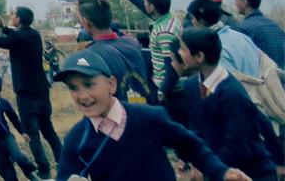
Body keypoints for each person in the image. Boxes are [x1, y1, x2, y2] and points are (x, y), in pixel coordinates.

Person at [53, 48, 253, 181]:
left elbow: (190, 145)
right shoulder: (76, 140)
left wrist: (221, 171)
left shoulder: (149, 117)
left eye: (89, 84)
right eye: (73, 88)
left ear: (111, 84)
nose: (83, 95)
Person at [174, 27, 280, 181]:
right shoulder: (192, 86)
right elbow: (195, 126)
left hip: (250, 173)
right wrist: (191, 155)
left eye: (183, 49)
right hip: (221, 169)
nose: (179, 53)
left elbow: (238, 147)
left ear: (199, 56)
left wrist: (206, 167)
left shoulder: (232, 95)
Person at [0, 7, 62, 180]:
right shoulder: (34, 35)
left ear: (18, 19)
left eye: (13, 15)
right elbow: (16, 37)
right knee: (48, 128)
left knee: (32, 133)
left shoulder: (18, 37)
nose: (11, 17)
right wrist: (4, 27)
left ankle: (44, 169)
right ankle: (63, 161)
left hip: (26, 91)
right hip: (41, 89)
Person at [77, 0, 150, 102]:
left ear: (86, 22)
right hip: (143, 109)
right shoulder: (132, 43)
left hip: (118, 114)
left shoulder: (91, 54)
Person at [187, 0, 260, 77]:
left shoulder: (215, 48)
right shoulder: (242, 37)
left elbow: (224, 83)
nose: (192, 21)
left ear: (201, 22)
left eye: (193, 18)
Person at [233, 0, 285, 68]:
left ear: (245, 2)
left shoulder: (244, 28)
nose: (235, 4)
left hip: (263, 78)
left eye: (236, 0)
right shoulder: (276, 26)